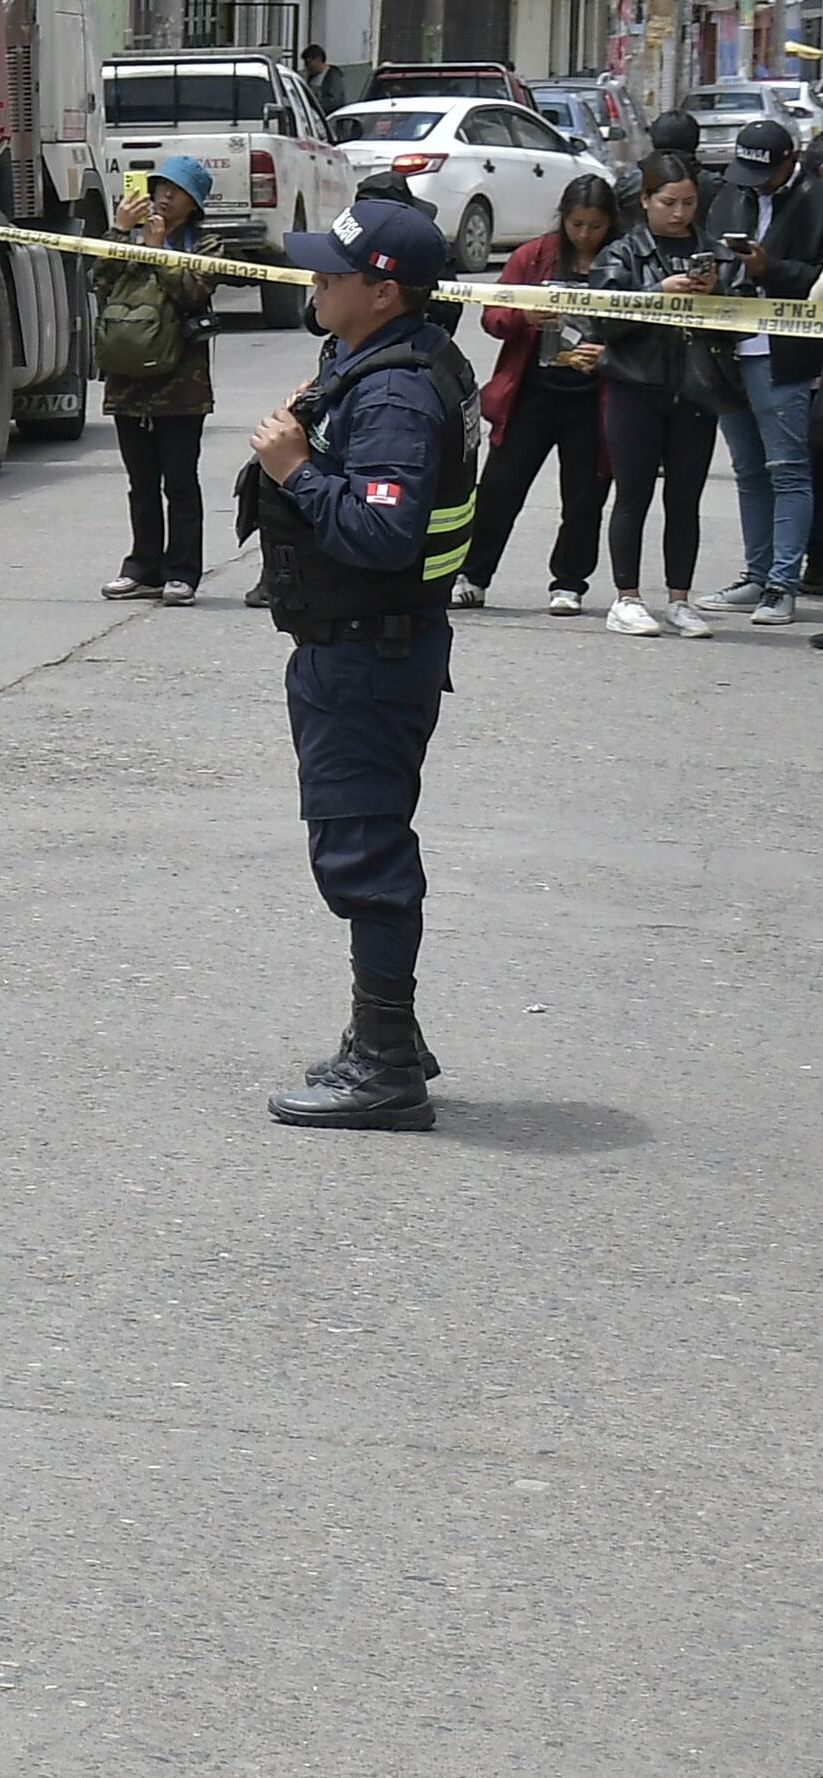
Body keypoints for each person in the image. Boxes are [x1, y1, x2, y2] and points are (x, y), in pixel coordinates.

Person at [246, 192, 479, 1131]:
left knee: (364, 852)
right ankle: (389, 1033)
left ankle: (385, 1065)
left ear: (383, 293)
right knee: (362, 840)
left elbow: (383, 531)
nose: (314, 281)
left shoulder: (392, 391)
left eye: (331, 273)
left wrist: (295, 468)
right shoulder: (380, 358)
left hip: (368, 655)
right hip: (368, 646)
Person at [456, 173, 621, 616]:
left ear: (611, 224)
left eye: (595, 226)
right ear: (563, 219)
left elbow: (643, 326)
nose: (585, 234)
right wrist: (524, 316)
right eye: (577, 224)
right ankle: (472, 575)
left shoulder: (622, 259)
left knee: (585, 496)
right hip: (531, 393)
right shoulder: (534, 257)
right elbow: (493, 317)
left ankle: (569, 582)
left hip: (595, 397)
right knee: (499, 488)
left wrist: (607, 350)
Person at [594, 155, 729, 636]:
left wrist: (718, 290)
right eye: (668, 202)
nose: (678, 213)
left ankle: (680, 598)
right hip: (635, 386)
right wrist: (657, 293)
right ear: (645, 200)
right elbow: (605, 321)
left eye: (688, 203)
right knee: (632, 495)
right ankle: (626, 597)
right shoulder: (622, 253)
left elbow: (744, 314)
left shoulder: (712, 250)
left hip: (695, 389)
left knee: (685, 498)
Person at [693, 118, 818, 624]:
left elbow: (816, 277)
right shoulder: (732, 195)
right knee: (748, 470)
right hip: (731, 346)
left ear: (791, 160)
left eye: (765, 174)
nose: (756, 184)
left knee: (787, 468)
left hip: (784, 353)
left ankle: (783, 584)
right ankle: (756, 573)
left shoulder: (815, 201)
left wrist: (775, 271)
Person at [97, 154, 220, 604]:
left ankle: (182, 571)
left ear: (194, 203)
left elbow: (193, 295)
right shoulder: (130, 238)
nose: (164, 197)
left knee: (180, 482)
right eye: (160, 187)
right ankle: (142, 566)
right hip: (128, 383)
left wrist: (160, 248)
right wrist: (119, 232)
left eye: (176, 191)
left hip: (181, 388)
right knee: (141, 482)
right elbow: (99, 279)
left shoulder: (207, 246)